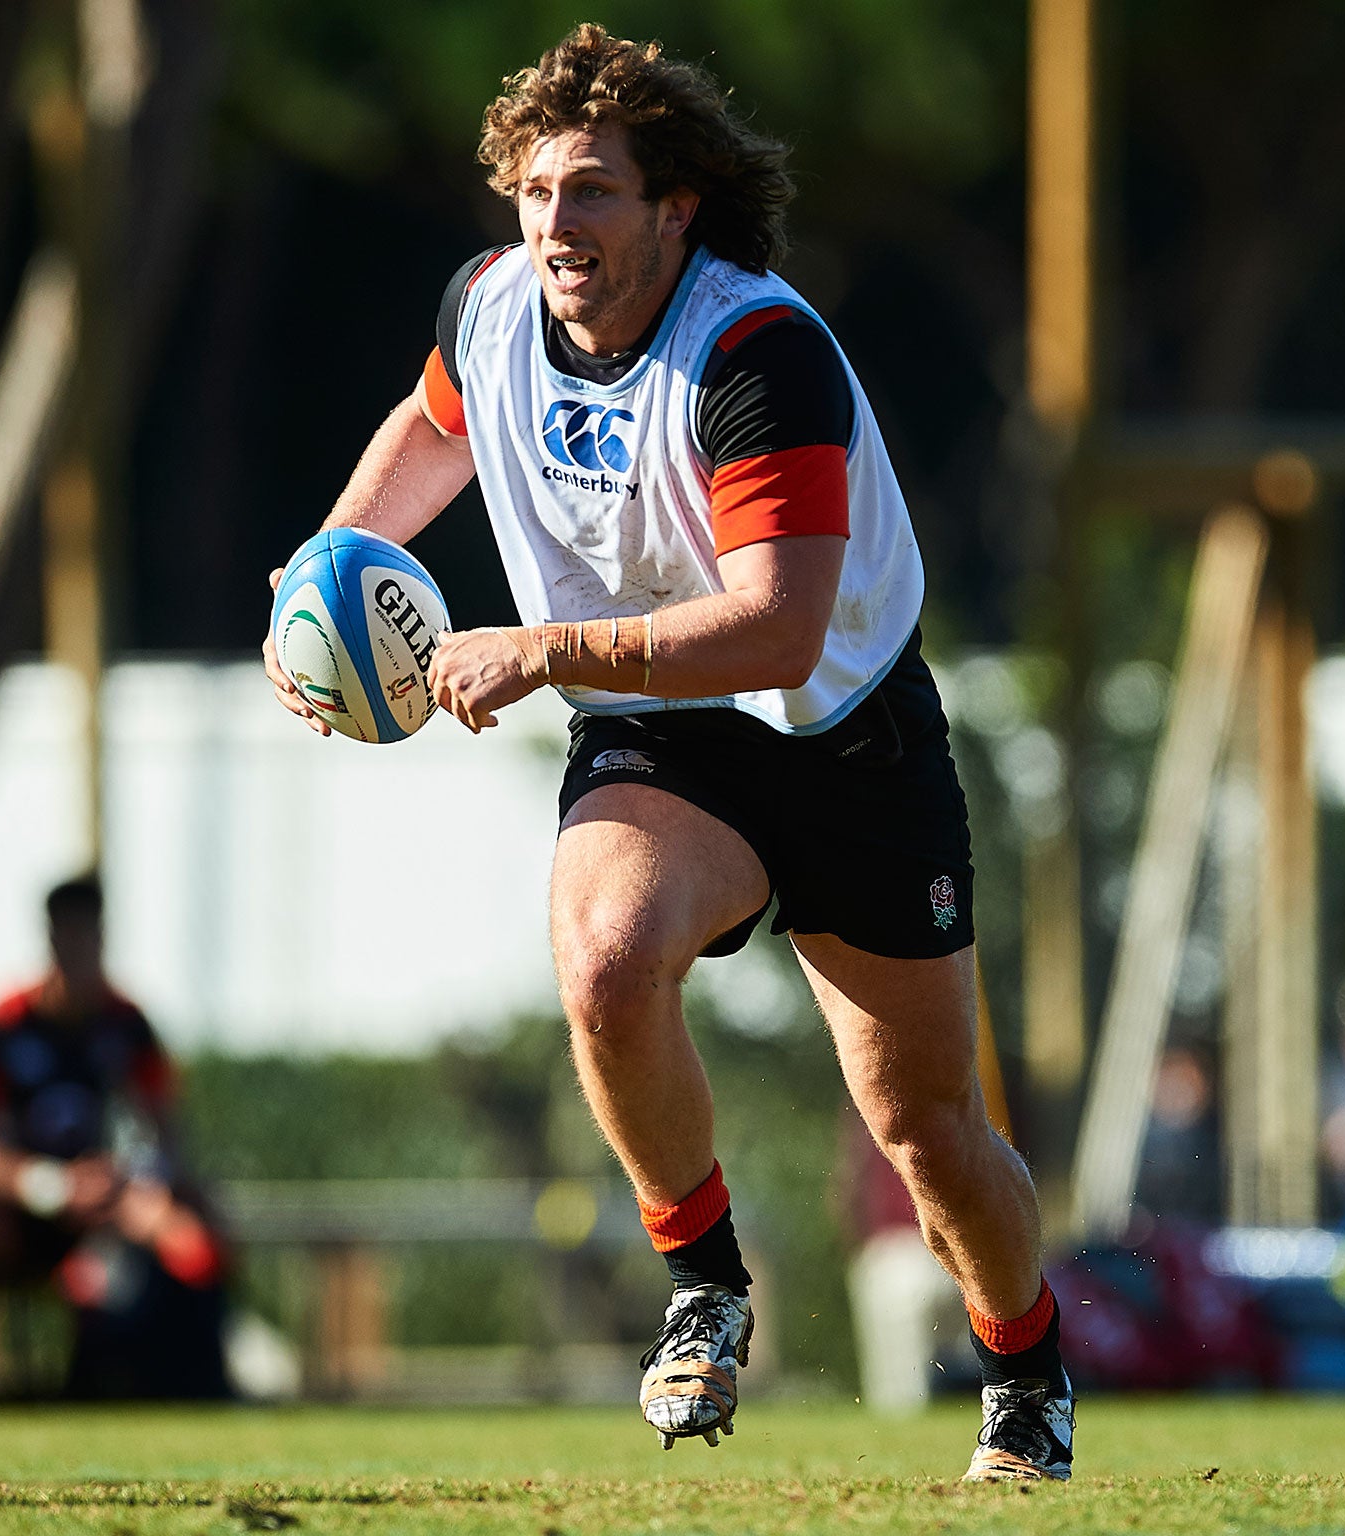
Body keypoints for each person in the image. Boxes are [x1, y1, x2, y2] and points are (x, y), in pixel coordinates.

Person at [261, 24, 1071, 1480]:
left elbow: (773, 631)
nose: (555, 225)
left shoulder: (756, 353)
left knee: (927, 1129)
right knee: (606, 959)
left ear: (675, 207)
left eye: (593, 193)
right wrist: (326, 569)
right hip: (659, 727)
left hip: (843, 734)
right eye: (534, 190)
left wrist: (543, 646)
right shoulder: (494, 307)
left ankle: (1026, 1372)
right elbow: (434, 431)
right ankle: (706, 1285)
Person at [0, 877, 228, 1399]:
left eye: (88, 935)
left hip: (102, 1206)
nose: (78, 949)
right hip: (20, 1203)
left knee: (188, 1227)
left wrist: (134, 1185)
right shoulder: (2, 1025)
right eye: (66, 935)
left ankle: (188, 1390)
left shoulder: (127, 1022)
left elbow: (168, 1136)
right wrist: (50, 1185)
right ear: (50, 938)